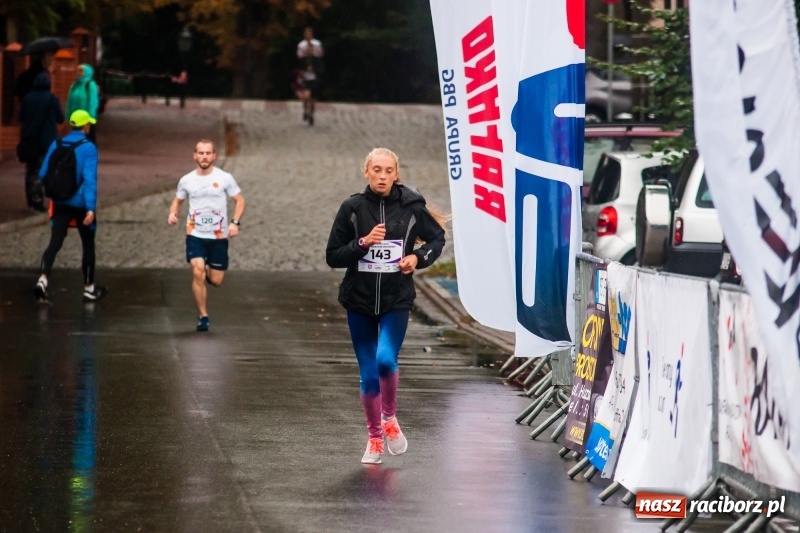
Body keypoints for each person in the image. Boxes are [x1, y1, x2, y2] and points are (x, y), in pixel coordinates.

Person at [325, 148, 447, 464]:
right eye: (376, 170)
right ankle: (375, 439)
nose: (382, 176)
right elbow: (333, 256)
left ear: (396, 173)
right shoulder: (352, 208)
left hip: (396, 300)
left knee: (385, 360)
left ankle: (389, 417)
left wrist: (417, 258)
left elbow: (437, 240)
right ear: (366, 171)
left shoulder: (411, 208)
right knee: (368, 377)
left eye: (388, 170)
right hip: (359, 301)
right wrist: (362, 243)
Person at [167, 140, 246, 332]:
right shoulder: (187, 180)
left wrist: (234, 223)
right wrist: (172, 213)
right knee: (197, 272)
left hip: (218, 237)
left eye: (207, 153)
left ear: (214, 155)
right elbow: (177, 201)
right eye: (200, 153)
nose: (204, 157)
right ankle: (203, 315)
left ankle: (209, 269)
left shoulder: (224, 177)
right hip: (195, 234)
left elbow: (239, 200)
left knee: (216, 281)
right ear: (194, 155)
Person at [34, 110, 107, 304]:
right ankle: (89, 288)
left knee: (55, 242)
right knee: (88, 244)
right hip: (81, 203)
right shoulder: (88, 148)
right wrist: (91, 208)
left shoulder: (56, 143)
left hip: (59, 202)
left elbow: (43, 173)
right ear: (85, 126)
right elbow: (90, 180)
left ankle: (43, 279)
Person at [18, 72, 65, 211]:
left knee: (31, 169)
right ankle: (38, 199)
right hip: (47, 140)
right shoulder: (52, 99)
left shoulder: (27, 99)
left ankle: (31, 198)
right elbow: (60, 118)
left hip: (29, 140)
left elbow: (21, 118)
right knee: (44, 168)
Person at [296, 27, 324, 126]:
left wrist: (314, 70)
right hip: (306, 79)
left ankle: (311, 115)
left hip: (314, 80)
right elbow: (299, 63)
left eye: (311, 48)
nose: (309, 49)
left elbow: (321, 67)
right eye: (308, 48)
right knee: (306, 97)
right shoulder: (303, 57)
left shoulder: (316, 58)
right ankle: (305, 110)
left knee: (312, 100)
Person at [65, 64, 100, 144]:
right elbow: (69, 101)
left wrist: (90, 119)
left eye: (81, 71)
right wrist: (68, 116)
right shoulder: (74, 85)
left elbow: (93, 102)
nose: (79, 73)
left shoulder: (90, 85)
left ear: (87, 72)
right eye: (78, 71)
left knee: (88, 141)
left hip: (86, 121)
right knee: (77, 141)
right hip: (75, 120)